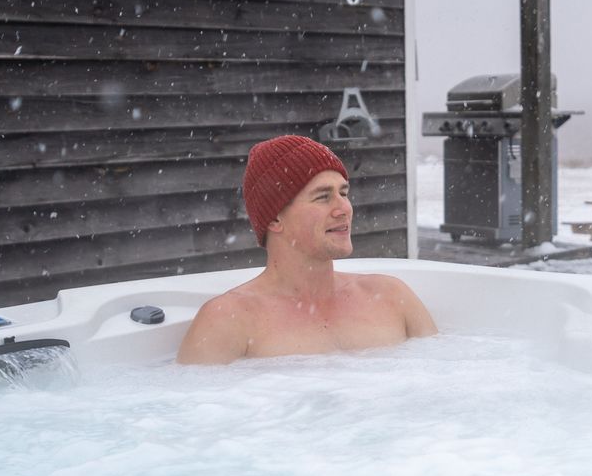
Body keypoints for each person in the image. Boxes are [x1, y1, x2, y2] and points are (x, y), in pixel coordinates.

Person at [177, 135, 437, 364]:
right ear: (275, 219)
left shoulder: (392, 297)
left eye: (343, 193)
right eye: (323, 197)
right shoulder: (229, 320)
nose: (344, 208)